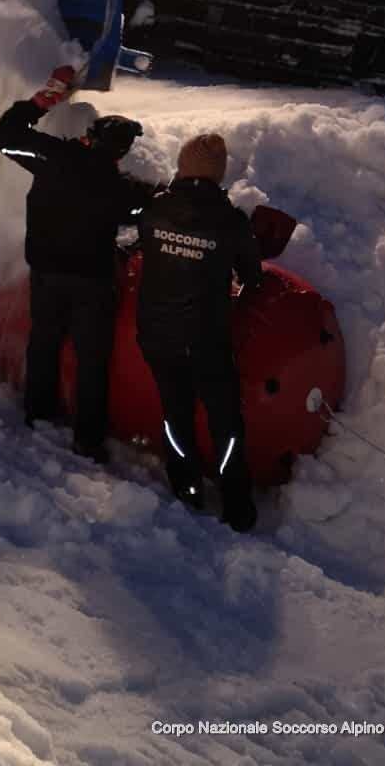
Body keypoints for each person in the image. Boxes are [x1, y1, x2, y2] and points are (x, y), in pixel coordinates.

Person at [0, 66, 158, 464]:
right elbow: (154, 211)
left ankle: (38, 412)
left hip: (46, 273)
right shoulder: (123, 190)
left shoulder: (53, 157)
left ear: (88, 137)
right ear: (121, 154)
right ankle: (88, 437)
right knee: (92, 359)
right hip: (92, 283)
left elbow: (6, 138)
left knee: (44, 341)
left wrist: (40, 102)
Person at [137, 133, 263, 533]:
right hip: (206, 339)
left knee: (175, 413)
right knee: (226, 422)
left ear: (183, 166)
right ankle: (236, 504)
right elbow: (252, 277)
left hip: (157, 333)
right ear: (218, 172)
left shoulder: (154, 211)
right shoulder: (230, 222)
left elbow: (145, 248)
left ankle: (186, 487)